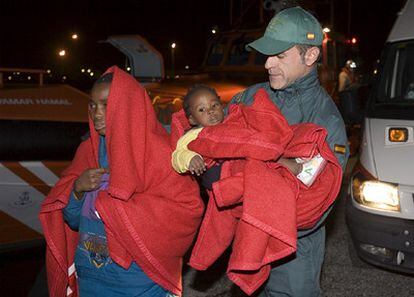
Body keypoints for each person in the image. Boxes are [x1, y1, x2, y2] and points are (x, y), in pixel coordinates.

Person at [39, 66, 204, 297]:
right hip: (91, 280)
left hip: (140, 284)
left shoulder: (159, 152)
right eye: (93, 105)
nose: (97, 113)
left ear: (126, 105)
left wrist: (114, 208)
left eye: (106, 105)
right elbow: (72, 220)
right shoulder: (88, 152)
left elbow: (187, 212)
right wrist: (76, 190)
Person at [228, 6, 349, 297]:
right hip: (246, 248)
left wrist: (250, 187)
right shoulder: (249, 97)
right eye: (268, 55)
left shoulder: (326, 124)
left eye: (280, 56)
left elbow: (312, 208)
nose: (268, 64)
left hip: (293, 260)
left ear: (310, 56)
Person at [172, 84, 225, 176]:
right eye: (201, 109)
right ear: (192, 119)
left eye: (214, 105)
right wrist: (190, 158)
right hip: (216, 174)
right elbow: (177, 155)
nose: (210, 111)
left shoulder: (231, 123)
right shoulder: (193, 135)